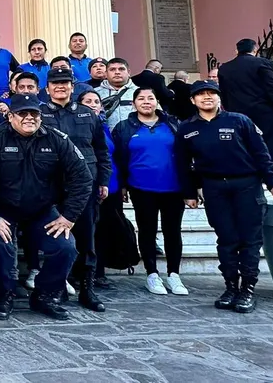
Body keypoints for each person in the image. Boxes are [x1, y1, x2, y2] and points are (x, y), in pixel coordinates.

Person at [0, 94, 92, 321]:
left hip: (42, 210)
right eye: (22, 113)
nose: (29, 118)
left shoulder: (57, 139)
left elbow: (83, 178)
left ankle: (45, 295)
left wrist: (69, 217)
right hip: (2, 210)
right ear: (10, 116)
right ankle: (4, 296)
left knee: (65, 247)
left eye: (34, 113)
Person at [177, 80, 273, 313]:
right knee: (226, 240)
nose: (207, 97)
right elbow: (183, 164)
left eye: (212, 93)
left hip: (247, 186)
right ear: (192, 100)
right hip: (214, 189)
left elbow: (261, 154)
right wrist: (189, 192)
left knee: (249, 240)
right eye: (201, 94)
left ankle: (247, 289)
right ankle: (230, 287)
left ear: (219, 98)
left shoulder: (239, 121)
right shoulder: (186, 128)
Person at [39, 67, 111, 312]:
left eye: (65, 83)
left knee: (86, 237)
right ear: (47, 88)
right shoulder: (38, 114)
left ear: (72, 86)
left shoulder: (87, 115)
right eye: (55, 83)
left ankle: (87, 289)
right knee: (58, 238)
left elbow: (101, 151)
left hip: (85, 186)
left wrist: (103, 181)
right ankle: (59, 286)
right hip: (52, 186)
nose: (61, 87)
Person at [112, 88, 187, 296]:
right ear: (134, 103)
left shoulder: (172, 124)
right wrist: (123, 185)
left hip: (173, 187)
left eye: (151, 98)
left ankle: (174, 274)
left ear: (157, 102)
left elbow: (186, 154)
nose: (146, 102)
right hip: (141, 188)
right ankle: (152, 274)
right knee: (147, 230)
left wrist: (191, 187)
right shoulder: (124, 128)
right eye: (141, 99)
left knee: (173, 231)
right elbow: (118, 159)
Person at [218, 38, 273, 177]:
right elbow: (272, 88)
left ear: (236, 51)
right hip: (264, 111)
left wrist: (229, 110)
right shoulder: (262, 63)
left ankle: (251, 175)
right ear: (255, 50)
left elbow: (223, 92)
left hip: (238, 113)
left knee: (244, 144)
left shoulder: (225, 68)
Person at [78, 89, 120, 290]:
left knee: (102, 230)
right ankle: (81, 273)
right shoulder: (78, 126)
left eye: (96, 101)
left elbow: (110, 156)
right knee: (86, 230)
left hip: (107, 185)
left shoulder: (104, 127)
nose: (93, 104)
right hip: (85, 185)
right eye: (87, 101)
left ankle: (98, 272)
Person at [97, 58, 138, 128]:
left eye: (121, 69)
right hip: (104, 137)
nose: (117, 72)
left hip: (135, 136)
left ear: (129, 72)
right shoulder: (94, 93)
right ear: (106, 74)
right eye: (112, 69)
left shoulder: (141, 93)